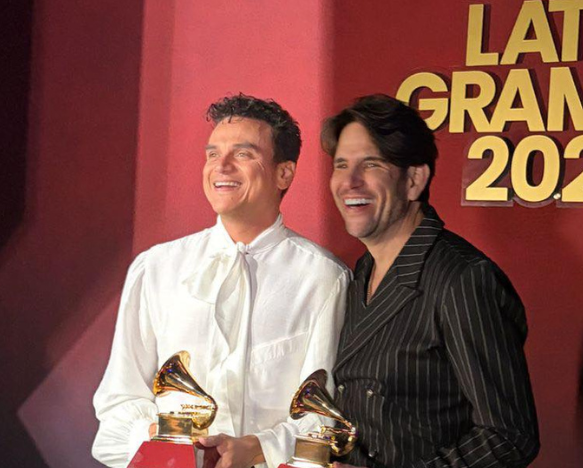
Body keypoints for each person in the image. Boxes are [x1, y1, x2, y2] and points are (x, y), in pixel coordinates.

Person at [92, 94, 349, 468]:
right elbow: (118, 401)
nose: (221, 167)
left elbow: (325, 418)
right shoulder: (155, 268)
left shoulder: (323, 277)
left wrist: (259, 447)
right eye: (213, 154)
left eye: (243, 154)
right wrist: (157, 439)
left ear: (284, 173)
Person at [323, 94, 540, 468]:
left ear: (414, 180)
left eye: (370, 164)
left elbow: (508, 436)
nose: (349, 182)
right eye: (341, 165)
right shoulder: (361, 271)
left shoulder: (463, 279)